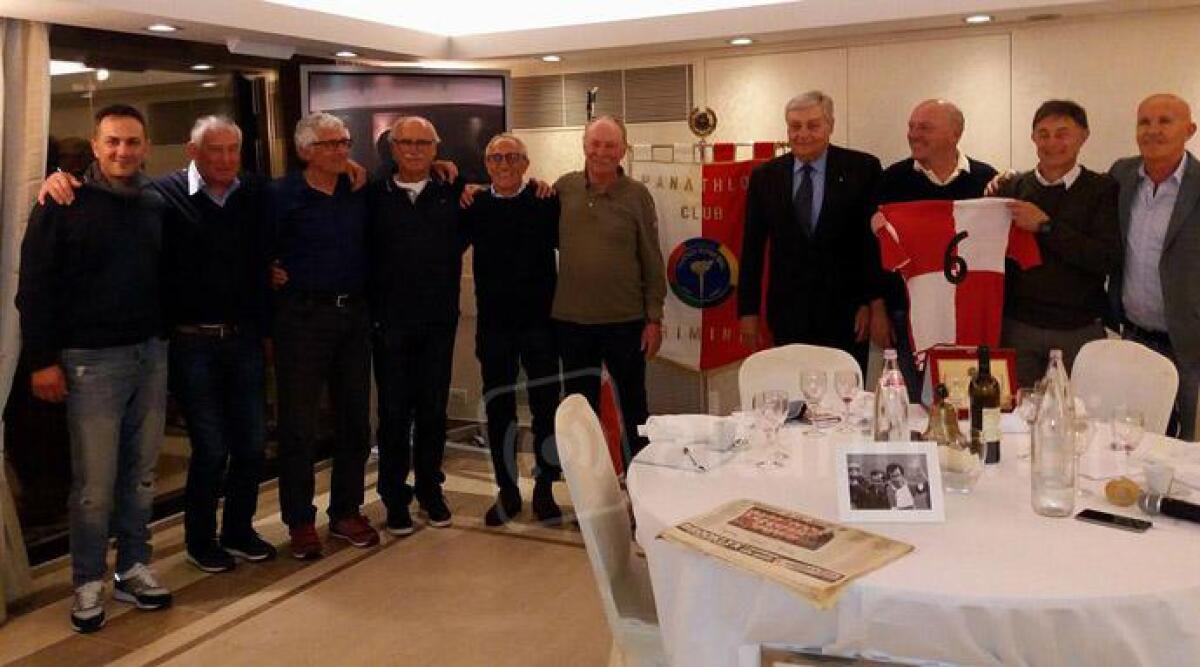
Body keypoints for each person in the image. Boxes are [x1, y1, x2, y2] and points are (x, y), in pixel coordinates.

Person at [37, 116, 283, 574]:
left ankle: (238, 530)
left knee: (251, 444)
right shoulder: (163, 196)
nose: (226, 159)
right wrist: (55, 179)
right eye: (215, 150)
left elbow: (294, 210)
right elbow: (101, 199)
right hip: (188, 344)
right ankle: (200, 539)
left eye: (233, 150)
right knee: (209, 447)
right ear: (193, 152)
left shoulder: (255, 193)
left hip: (244, 338)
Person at [17, 104, 173, 633]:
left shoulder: (155, 202)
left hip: (150, 355)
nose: (122, 151)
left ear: (145, 146)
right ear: (95, 144)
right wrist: (41, 361)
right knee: (94, 487)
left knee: (142, 477)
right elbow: (32, 288)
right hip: (89, 364)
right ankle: (88, 579)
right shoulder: (62, 202)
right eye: (112, 142)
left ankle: (132, 566)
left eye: (132, 142)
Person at [268, 112, 377, 558]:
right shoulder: (280, 196)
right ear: (305, 150)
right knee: (299, 424)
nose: (341, 150)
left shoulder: (356, 189)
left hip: (353, 317)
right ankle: (299, 521)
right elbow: (252, 247)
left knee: (355, 420)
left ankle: (346, 511)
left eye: (344, 142)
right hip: (302, 321)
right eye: (331, 144)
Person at [368, 116, 468, 535]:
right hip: (388, 324)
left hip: (437, 323)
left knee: (432, 412)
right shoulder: (370, 194)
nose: (413, 150)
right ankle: (394, 497)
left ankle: (430, 489)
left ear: (436, 149)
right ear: (392, 149)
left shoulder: (454, 193)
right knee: (392, 413)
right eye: (405, 142)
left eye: (422, 143)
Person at [738, 91, 881, 372]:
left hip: (847, 313)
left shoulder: (862, 169)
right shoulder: (765, 176)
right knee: (794, 402)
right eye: (795, 126)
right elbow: (752, 248)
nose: (802, 134)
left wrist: (869, 302)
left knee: (844, 402)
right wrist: (748, 311)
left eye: (813, 125)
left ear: (830, 126)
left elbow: (871, 245)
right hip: (788, 313)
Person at [553, 115, 667, 465]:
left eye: (610, 145)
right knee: (581, 416)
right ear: (584, 146)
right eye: (595, 144)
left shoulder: (637, 195)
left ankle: (639, 490)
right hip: (572, 324)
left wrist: (654, 318)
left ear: (623, 150)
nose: (601, 152)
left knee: (635, 409)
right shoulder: (562, 189)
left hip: (626, 322)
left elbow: (651, 257)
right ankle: (591, 497)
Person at [463, 133, 564, 525]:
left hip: (541, 324)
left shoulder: (545, 201)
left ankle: (544, 488)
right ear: (486, 165)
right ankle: (506, 490)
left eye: (511, 157)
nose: (503, 165)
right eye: (495, 158)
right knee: (499, 409)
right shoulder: (474, 205)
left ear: (526, 163)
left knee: (545, 409)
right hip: (494, 328)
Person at [869, 99, 999, 399]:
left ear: (955, 134)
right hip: (907, 316)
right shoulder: (892, 180)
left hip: (969, 317)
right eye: (911, 127)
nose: (914, 134)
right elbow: (874, 251)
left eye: (925, 127)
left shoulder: (985, 181)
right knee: (915, 406)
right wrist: (877, 308)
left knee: (967, 402)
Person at [991, 101, 1120, 386]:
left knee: (1079, 418)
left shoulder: (1103, 189)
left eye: (1062, 133)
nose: (1051, 143)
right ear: (1033, 137)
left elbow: (1105, 259)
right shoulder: (1011, 188)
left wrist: (1045, 226)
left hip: (1079, 329)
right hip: (1018, 328)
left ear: (1083, 136)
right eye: (1043, 134)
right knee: (1016, 416)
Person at [1108, 93, 1200, 440]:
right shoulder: (1122, 175)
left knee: (1183, 442)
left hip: (1188, 343)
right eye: (1144, 122)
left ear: (1189, 130)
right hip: (1132, 335)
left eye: (1165, 121)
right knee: (1132, 434)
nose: (1153, 130)